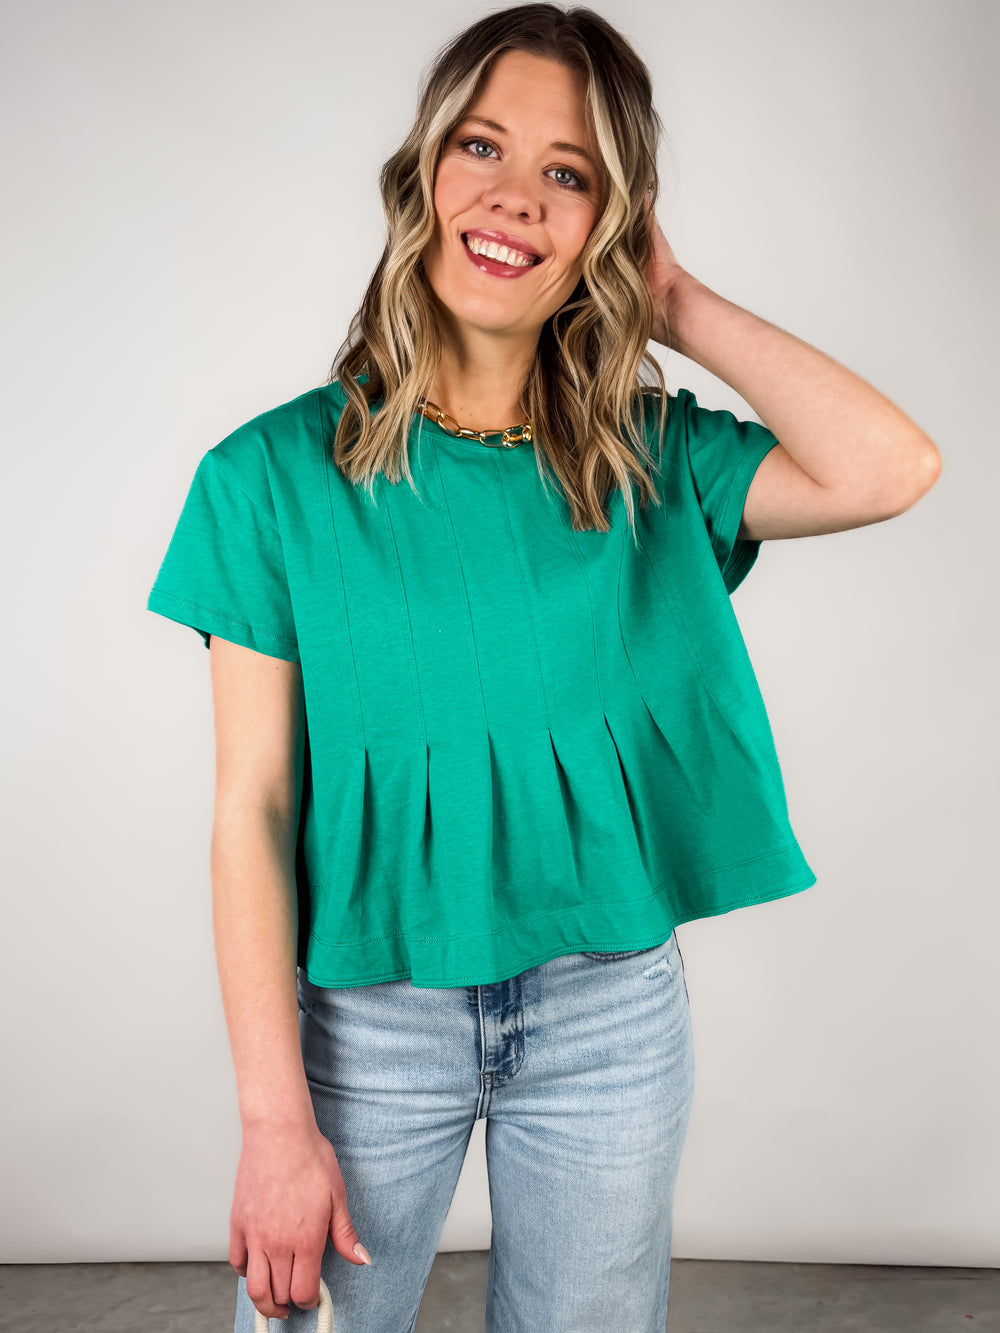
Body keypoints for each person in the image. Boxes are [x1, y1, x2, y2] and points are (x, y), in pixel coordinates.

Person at [146, 5, 941, 1329]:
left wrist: (675, 302)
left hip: (608, 1015)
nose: (515, 196)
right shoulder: (267, 479)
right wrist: (274, 1121)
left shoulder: (649, 458)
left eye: (568, 173)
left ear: (608, 225)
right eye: (482, 146)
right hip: (363, 1024)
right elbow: (253, 810)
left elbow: (890, 466)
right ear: (422, 173)